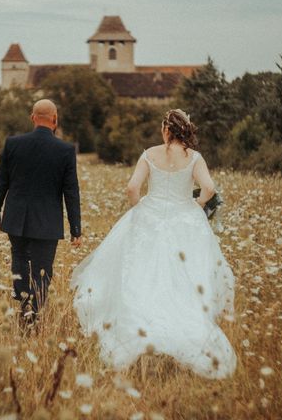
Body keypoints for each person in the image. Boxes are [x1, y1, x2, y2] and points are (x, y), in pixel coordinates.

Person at [70, 109, 237, 379]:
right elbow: (210, 188)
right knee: (184, 278)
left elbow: (132, 188)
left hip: (150, 218)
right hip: (184, 221)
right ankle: (185, 334)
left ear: (166, 130)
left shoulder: (149, 154)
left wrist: (141, 212)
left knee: (143, 276)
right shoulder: (194, 158)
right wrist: (197, 204)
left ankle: (140, 334)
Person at [0, 99, 82, 327]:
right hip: (47, 223)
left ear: (33, 118)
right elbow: (71, 192)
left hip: (16, 219)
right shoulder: (65, 150)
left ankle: (23, 309)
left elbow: (1, 183)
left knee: (19, 261)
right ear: (55, 119)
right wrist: (76, 229)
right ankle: (34, 318)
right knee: (42, 270)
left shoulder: (12, 144)